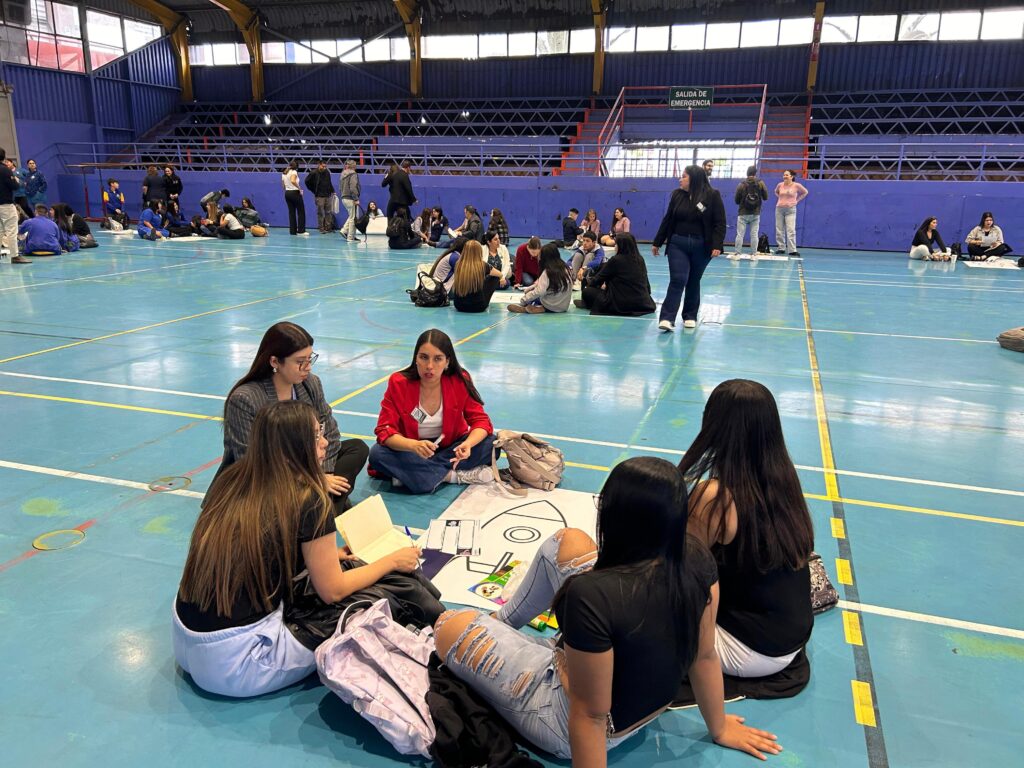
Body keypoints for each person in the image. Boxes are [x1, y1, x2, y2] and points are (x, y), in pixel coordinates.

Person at [433, 456, 782, 764]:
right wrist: (719, 728)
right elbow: (704, 655)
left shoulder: (590, 595)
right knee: (567, 541)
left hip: (569, 720)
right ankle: (504, 624)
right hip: (635, 703)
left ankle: (504, 633)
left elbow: (590, 716)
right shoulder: (696, 558)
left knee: (448, 624)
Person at [173, 400, 422, 698]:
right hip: (240, 662)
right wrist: (391, 561)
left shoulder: (234, 479)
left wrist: (325, 557)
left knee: (331, 575)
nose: (325, 442)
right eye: (316, 436)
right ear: (293, 448)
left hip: (186, 641)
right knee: (377, 598)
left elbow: (264, 550)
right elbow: (334, 591)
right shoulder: (310, 499)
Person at [680, 379, 815, 678]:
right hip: (790, 638)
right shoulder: (784, 480)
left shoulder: (714, 497)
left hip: (748, 648)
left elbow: (682, 572)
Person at [222, 322, 368, 511]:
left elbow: (329, 431)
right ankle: (327, 508)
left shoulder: (310, 384)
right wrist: (312, 479)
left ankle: (322, 505)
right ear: (275, 362)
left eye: (310, 358)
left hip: (308, 463)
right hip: (267, 477)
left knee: (357, 448)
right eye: (300, 362)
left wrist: (323, 473)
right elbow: (251, 460)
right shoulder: (245, 399)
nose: (308, 367)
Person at [368, 328, 497, 493]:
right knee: (377, 454)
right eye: (424, 357)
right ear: (415, 358)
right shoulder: (399, 383)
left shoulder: (459, 380)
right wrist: (413, 445)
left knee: (491, 443)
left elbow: (481, 421)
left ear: (447, 362)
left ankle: (419, 476)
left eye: (437, 359)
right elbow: (384, 431)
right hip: (412, 451)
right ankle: (452, 476)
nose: (429, 366)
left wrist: (468, 444)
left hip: (450, 448)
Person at [652, 165, 726, 332]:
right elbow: (668, 219)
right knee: (678, 279)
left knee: (693, 281)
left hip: (702, 246)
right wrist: (658, 241)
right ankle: (667, 318)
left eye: (684, 176)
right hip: (677, 244)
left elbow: (719, 222)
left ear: (694, 179)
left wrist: (717, 244)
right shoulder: (677, 195)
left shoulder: (712, 195)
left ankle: (690, 315)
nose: (680, 179)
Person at [577, 233, 656, 317]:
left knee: (587, 292)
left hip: (621, 303)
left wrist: (588, 284)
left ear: (621, 246)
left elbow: (598, 279)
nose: (615, 246)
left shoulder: (616, 260)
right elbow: (647, 284)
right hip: (643, 302)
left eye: (616, 244)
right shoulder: (640, 259)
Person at [508, 243, 572, 314]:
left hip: (550, 305)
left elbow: (539, 291)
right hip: (563, 306)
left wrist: (524, 299)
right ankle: (539, 307)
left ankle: (534, 307)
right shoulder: (566, 268)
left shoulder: (547, 272)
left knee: (532, 296)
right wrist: (531, 287)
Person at [450, 243, 505, 313]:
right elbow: (499, 274)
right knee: (495, 277)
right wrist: (501, 278)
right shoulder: (483, 265)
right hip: (478, 306)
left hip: (458, 305)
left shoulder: (458, 264)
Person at [733, 166, 769, 256]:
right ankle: (754, 254)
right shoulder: (760, 183)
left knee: (740, 234)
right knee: (754, 234)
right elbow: (766, 197)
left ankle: (737, 253)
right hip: (755, 213)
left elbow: (736, 200)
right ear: (755, 173)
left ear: (747, 173)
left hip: (743, 213)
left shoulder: (741, 184)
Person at [0, 148, 26, 262]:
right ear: (4, 157)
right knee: (11, 230)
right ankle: (15, 256)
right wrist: (15, 180)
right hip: (5, 204)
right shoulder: (5, 170)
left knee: (0, 230)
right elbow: (15, 186)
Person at [773, 170, 808, 256]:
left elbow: (805, 192)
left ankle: (792, 250)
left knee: (791, 230)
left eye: (787, 175)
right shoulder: (780, 185)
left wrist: (796, 200)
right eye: (784, 175)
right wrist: (781, 199)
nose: (785, 176)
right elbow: (776, 192)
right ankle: (781, 248)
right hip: (779, 209)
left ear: (791, 177)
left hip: (791, 210)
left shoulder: (796, 185)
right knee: (779, 230)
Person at [305, 161, 336, 234]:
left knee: (328, 212)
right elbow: (307, 182)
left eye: (325, 166)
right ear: (319, 165)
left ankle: (328, 228)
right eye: (323, 166)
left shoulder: (327, 172)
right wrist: (313, 190)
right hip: (319, 196)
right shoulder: (313, 173)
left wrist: (333, 190)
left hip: (328, 195)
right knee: (321, 213)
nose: (324, 168)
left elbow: (329, 182)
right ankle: (321, 228)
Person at [282, 161, 307, 236]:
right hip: (295, 193)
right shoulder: (294, 172)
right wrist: (299, 188)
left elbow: (283, 186)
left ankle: (292, 231)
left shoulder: (284, 172)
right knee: (301, 212)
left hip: (287, 193)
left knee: (291, 213)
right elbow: (293, 181)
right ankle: (301, 231)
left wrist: (288, 189)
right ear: (297, 167)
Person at [339, 160, 361, 242]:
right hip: (350, 198)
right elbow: (353, 187)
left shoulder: (343, 174)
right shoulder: (353, 174)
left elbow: (340, 188)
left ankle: (344, 230)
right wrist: (356, 198)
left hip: (343, 197)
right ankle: (350, 237)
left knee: (352, 216)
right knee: (353, 218)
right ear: (354, 166)